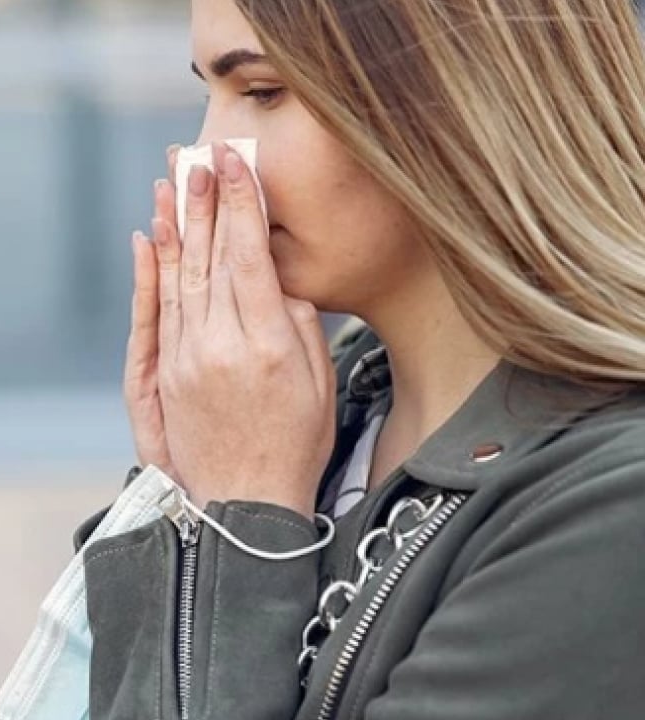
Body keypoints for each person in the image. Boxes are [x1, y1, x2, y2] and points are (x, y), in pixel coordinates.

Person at [91, 0, 645, 718]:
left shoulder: (611, 508)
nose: (201, 157)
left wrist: (242, 522)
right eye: (208, 95)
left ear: (459, 101)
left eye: (262, 92)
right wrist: (181, 502)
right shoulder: (310, 414)